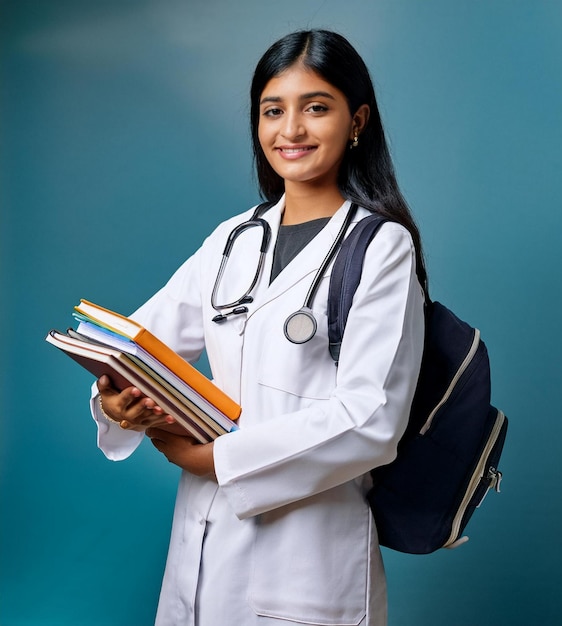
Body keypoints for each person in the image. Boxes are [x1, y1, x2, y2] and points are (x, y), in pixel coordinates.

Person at [93, 29, 427, 626]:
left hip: (308, 560)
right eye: (273, 110)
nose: (291, 130)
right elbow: (139, 343)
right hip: (200, 546)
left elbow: (371, 418)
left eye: (316, 107)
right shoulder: (230, 241)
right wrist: (116, 396)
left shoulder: (380, 247)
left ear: (358, 121)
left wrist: (216, 460)